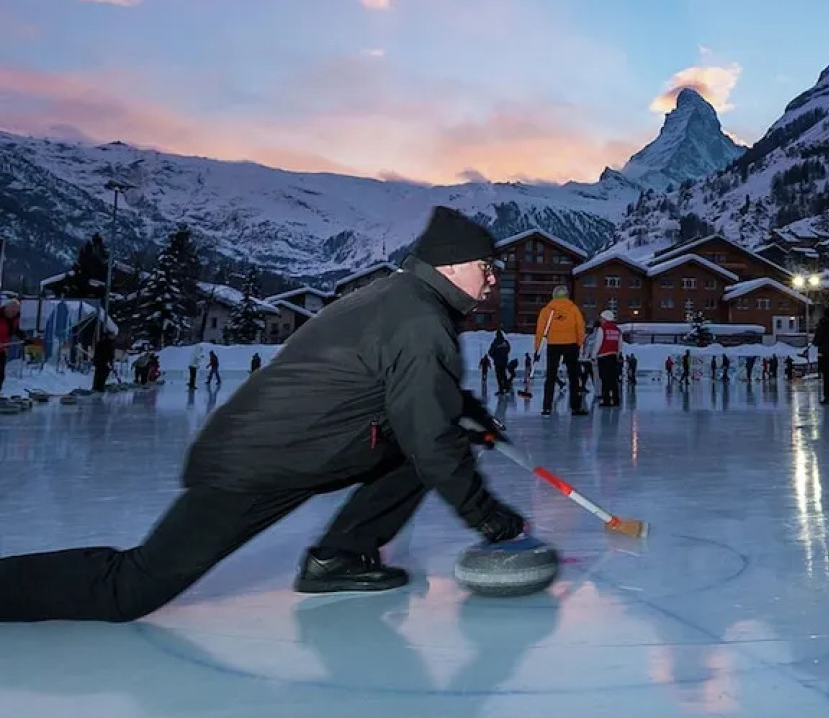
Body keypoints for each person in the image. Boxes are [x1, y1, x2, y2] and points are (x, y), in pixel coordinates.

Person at [0, 206, 526, 624]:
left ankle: (340, 557)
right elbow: (432, 439)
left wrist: (467, 410)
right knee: (130, 590)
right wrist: (490, 520)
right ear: (452, 266)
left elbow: (415, 395)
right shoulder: (419, 319)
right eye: (487, 269)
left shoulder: (402, 299)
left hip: (304, 448)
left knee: (416, 452)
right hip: (255, 462)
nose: (492, 282)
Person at [534, 285, 586, 416]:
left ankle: (547, 407)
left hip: (554, 344)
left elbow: (540, 331)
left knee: (551, 376)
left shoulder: (547, 310)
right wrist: (579, 343)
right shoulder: (573, 309)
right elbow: (580, 327)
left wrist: (537, 348)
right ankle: (575, 407)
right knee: (574, 376)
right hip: (571, 344)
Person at [595, 309, 624, 407]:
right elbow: (620, 344)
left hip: (603, 356)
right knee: (613, 379)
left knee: (604, 379)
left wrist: (594, 355)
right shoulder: (617, 330)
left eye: (601, 318)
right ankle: (616, 399)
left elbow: (598, 343)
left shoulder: (602, 329)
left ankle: (606, 399)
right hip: (613, 356)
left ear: (605, 318)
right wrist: (618, 354)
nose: (600, 320)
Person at [0, 297, 22, 394]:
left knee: (0, 374)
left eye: (15, 311)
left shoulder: (14, 318)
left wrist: (25, 338)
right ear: (6, 308)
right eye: (12, 311)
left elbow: (16, 330)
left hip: (2, 349)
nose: (13, 313)